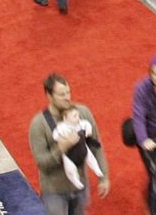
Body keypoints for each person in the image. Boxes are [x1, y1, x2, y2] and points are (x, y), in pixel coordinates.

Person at [29, 73, 110, 214]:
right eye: (61, 94)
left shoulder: (82, 113)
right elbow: (42, 163)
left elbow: (96, 146)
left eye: (68, 92)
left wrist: (104, 176)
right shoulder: (39, 124)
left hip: (80, 187)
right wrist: (61, 148)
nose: (67, 97)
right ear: (49, 95)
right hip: (54, 193)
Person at [51, 106, 106, 192]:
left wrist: (88, 130)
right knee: (70, 168)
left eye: (78, 115)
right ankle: (75, 180)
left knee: (90, 157)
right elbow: (55, 134)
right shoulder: (62, 127)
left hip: (82, 148)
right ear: (65, 118)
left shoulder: (80, 123)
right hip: (69, 154)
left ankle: (96, 169)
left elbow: (87, 125)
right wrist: (61, 138)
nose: (78, 118)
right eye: (74, 116)